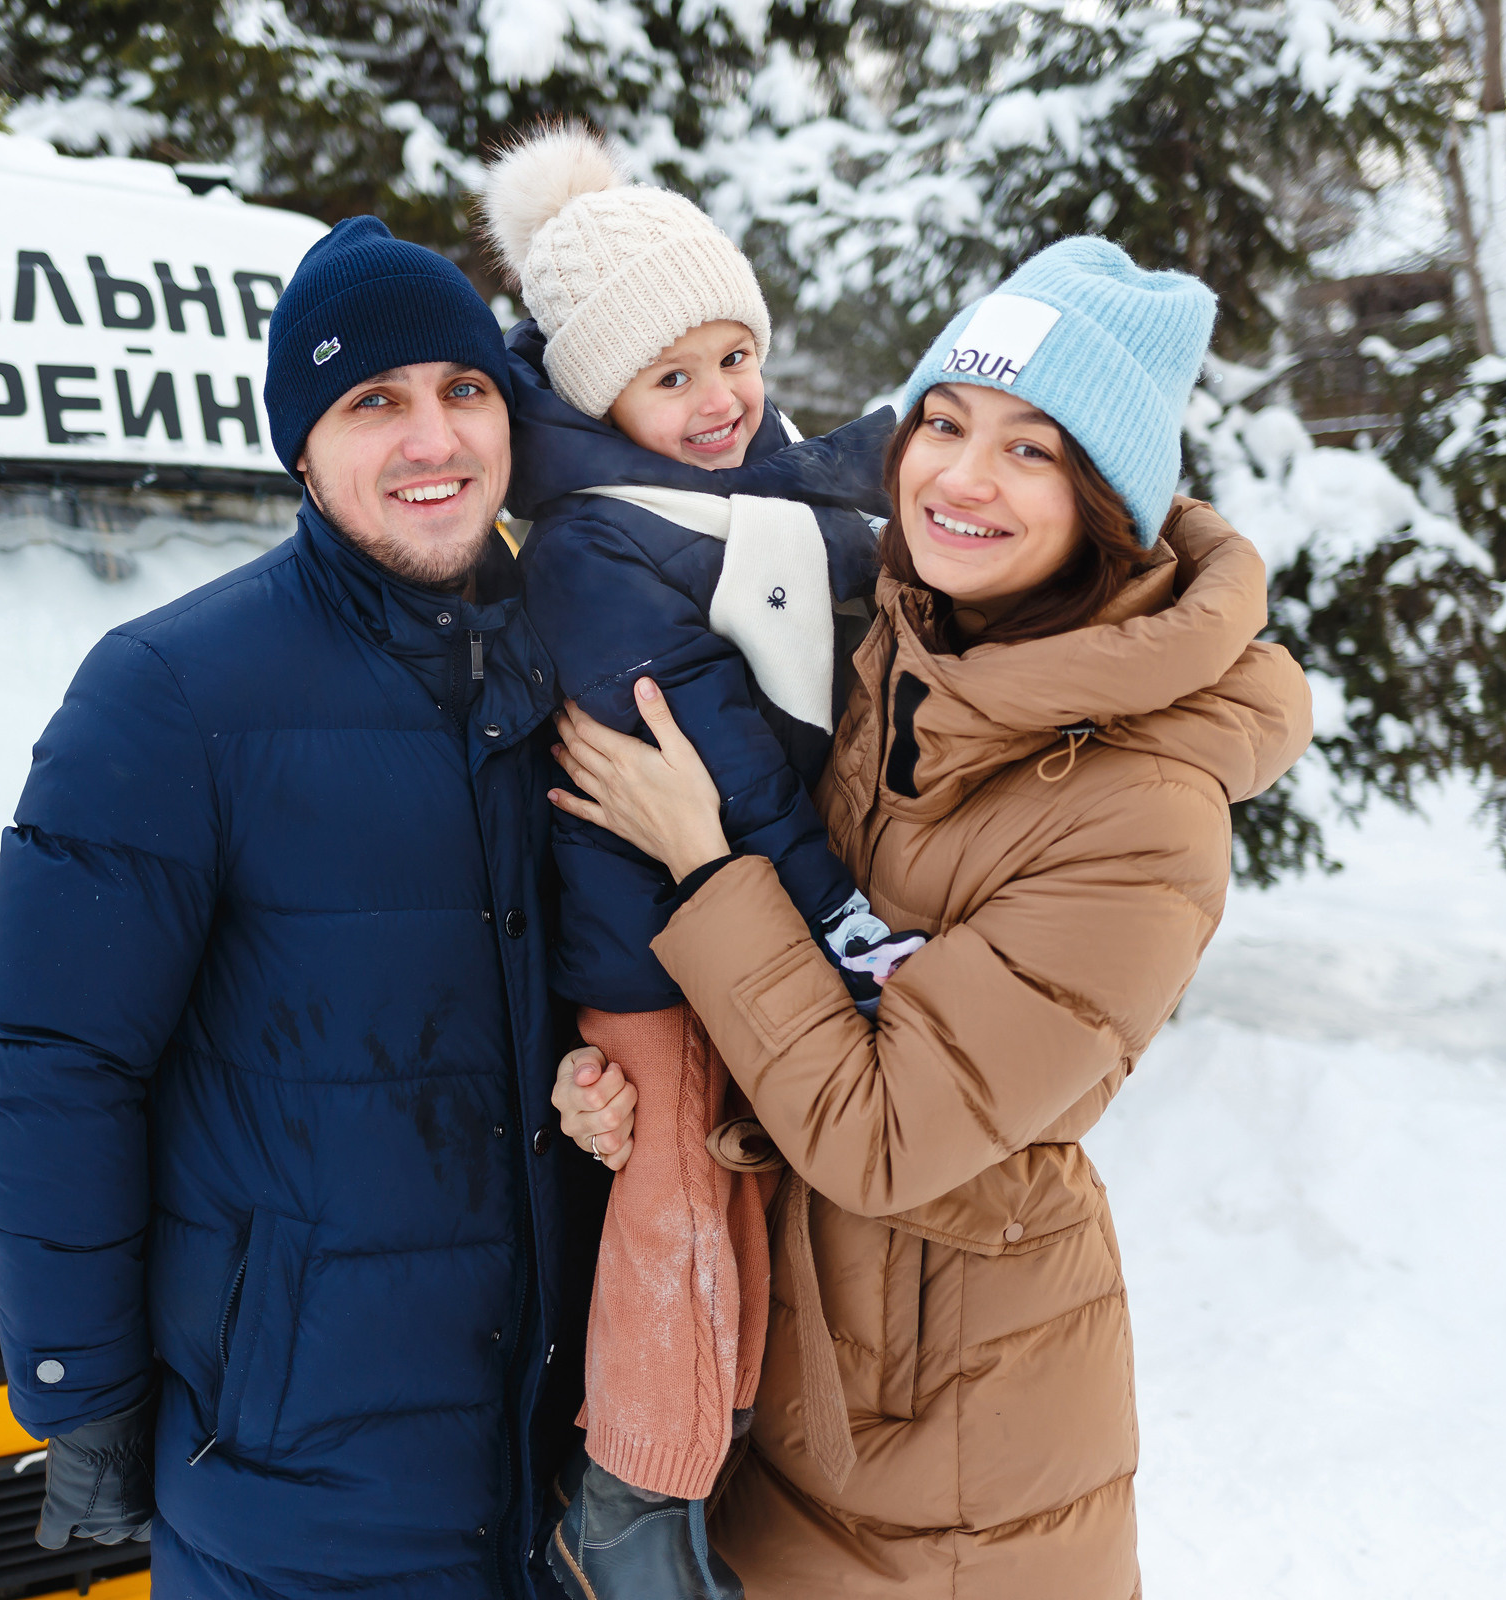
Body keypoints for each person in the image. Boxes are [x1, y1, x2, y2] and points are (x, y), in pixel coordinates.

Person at [548, 238, 1315, 1597]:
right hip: (807, 1397)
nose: (959, 475)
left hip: (955, 1471)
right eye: (944, 423)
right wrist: (618, 1079)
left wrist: (701, 864)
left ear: (1106, 501)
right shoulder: (902, 644)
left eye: (1031, 450)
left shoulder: (1141, 809)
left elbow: (886, 1131)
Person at [0, 215, 611, 1600]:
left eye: (463, 390)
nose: (430, 438)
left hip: (566, 1475)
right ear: (302, 450)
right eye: (371, 401)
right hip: (295, 1499)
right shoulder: (173, 693)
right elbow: (54, 1066)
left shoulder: (576, 663)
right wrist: (82, 1386)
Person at [476, 125, 923, 1600]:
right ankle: (618, 1508)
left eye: (735, 357)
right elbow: (720, 765)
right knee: (674, 1213)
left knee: (731, 1213)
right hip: (650, 948)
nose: (722, 400)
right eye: (673, 379)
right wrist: (850, 924)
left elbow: (832, 538)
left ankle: (680, 1490)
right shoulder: (595, 549)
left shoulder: (749, 487)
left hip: (729, 922)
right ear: (603, 397)